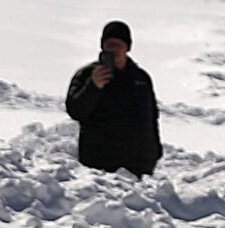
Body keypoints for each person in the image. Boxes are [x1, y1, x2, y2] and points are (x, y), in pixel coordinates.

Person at [65, 19, 163, 177]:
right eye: (110, 44)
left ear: (128, 48)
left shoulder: (141, 78)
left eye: (118, 45)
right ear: (102, 46)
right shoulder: (86, 75)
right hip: (99, 169)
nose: (114, 49)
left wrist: (154, 153)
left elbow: (151, 117)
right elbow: (75, 111)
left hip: (137, 167)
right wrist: (93, 86)